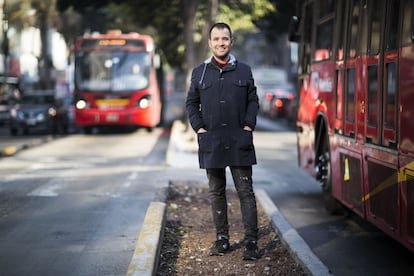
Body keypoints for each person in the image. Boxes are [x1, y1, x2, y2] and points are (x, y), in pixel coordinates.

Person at [185, 22, 260, 260]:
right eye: (216, 39)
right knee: (216, 192)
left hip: (239, 140)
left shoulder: (244, 71)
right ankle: (222, 240)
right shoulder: (200, 72)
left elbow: (253, 101)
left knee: (245, 192)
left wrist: (248, 126)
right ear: (209, 43)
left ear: (231, 41)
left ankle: (251, 243)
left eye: (225, 39)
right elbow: (191, 103)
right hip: (212, 141)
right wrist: (199, 128)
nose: (220, 43)